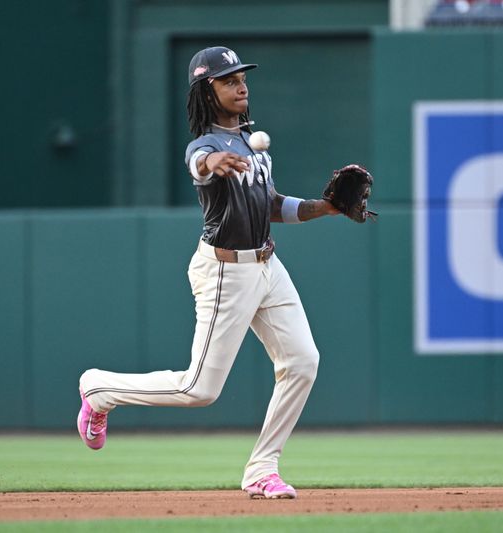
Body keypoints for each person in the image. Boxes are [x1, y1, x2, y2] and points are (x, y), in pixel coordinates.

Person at [77, 46, 340, 499]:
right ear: (206, 90)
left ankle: (262, 469)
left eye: (241, 77)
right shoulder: (208, 145)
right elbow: (197, 161)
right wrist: (209, 163)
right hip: (225, 271)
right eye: (227, 79)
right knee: (199, 389)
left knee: (302, 361)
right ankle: (99, 389)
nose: (241, 85)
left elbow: (271, 205)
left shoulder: (250, 141)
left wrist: (326, 208)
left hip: (267, 264)